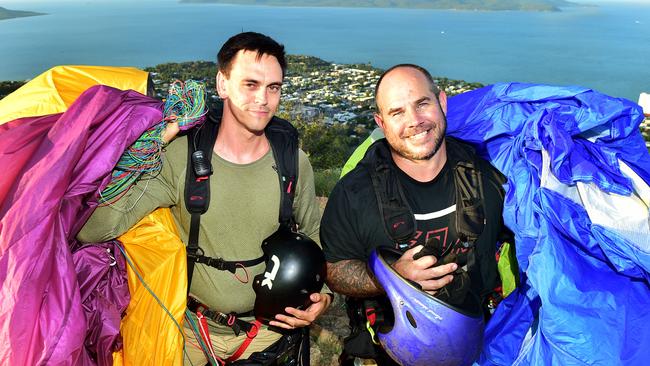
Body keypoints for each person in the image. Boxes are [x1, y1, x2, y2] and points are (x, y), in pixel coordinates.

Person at [78, 32, 331, 365]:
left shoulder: (293, 162)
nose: (263, 100)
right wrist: (150, 146)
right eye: (250, 84)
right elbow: (94, 229)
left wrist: (321, 296)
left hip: (269, 334)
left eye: (274, 88)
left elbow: (312, 235)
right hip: (192, 336)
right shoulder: (181, 157)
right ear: (222, 84)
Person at [320, 64, 510, 365]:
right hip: (386, 353)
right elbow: (335, 269)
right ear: (381, 123)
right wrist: (389, 277)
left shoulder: (489, 179)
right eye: (397, 113)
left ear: (442, 103)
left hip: (480, 344)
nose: (415, 121)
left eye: (422, 104)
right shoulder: (354, 193)